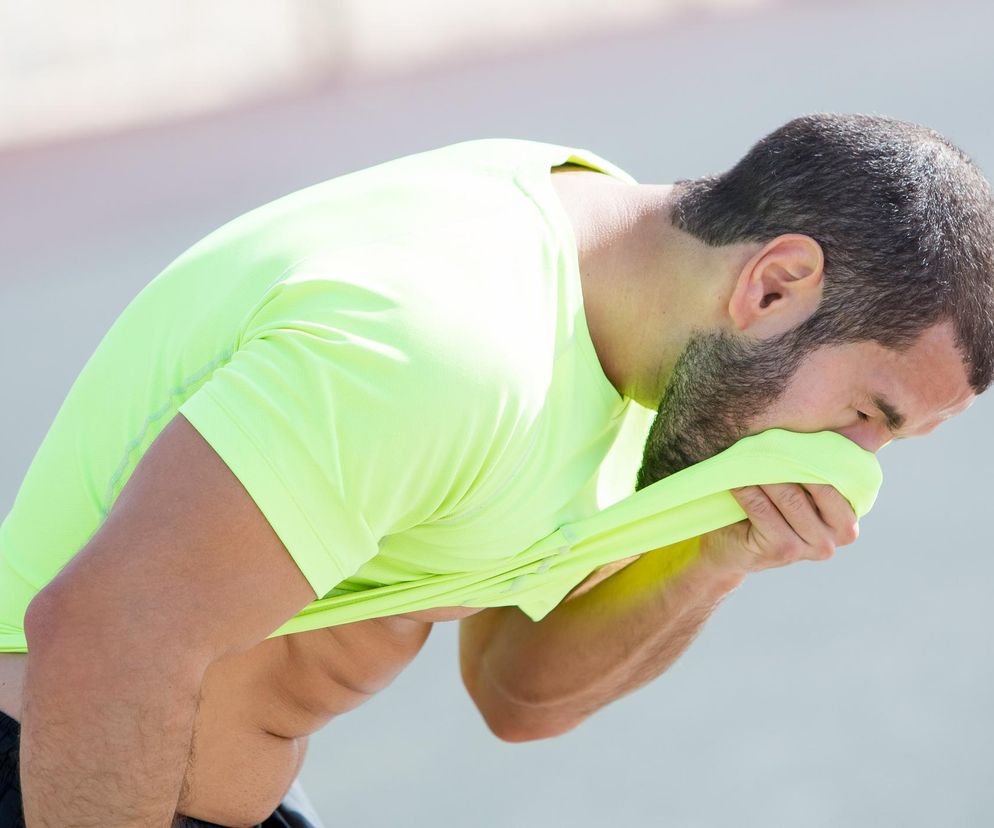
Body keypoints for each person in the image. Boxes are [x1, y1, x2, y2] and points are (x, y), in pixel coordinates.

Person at [0, 112, 991, 827]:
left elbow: (519, 697)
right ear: (773, 285)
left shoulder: (645, 349)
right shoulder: (448, 344)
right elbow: (103, 644)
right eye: (867, 413)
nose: (853, 463)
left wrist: (716, 550)